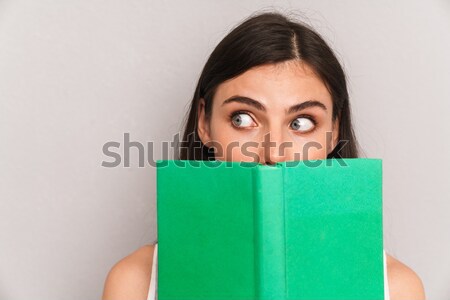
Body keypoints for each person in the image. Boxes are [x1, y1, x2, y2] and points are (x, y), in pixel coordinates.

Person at [102, 11, 426, 300]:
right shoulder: (135, 283)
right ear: (204, 123)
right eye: (242, 118)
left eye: (301, 123)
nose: (272, 152)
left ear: (333, 132)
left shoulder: (396, 289)